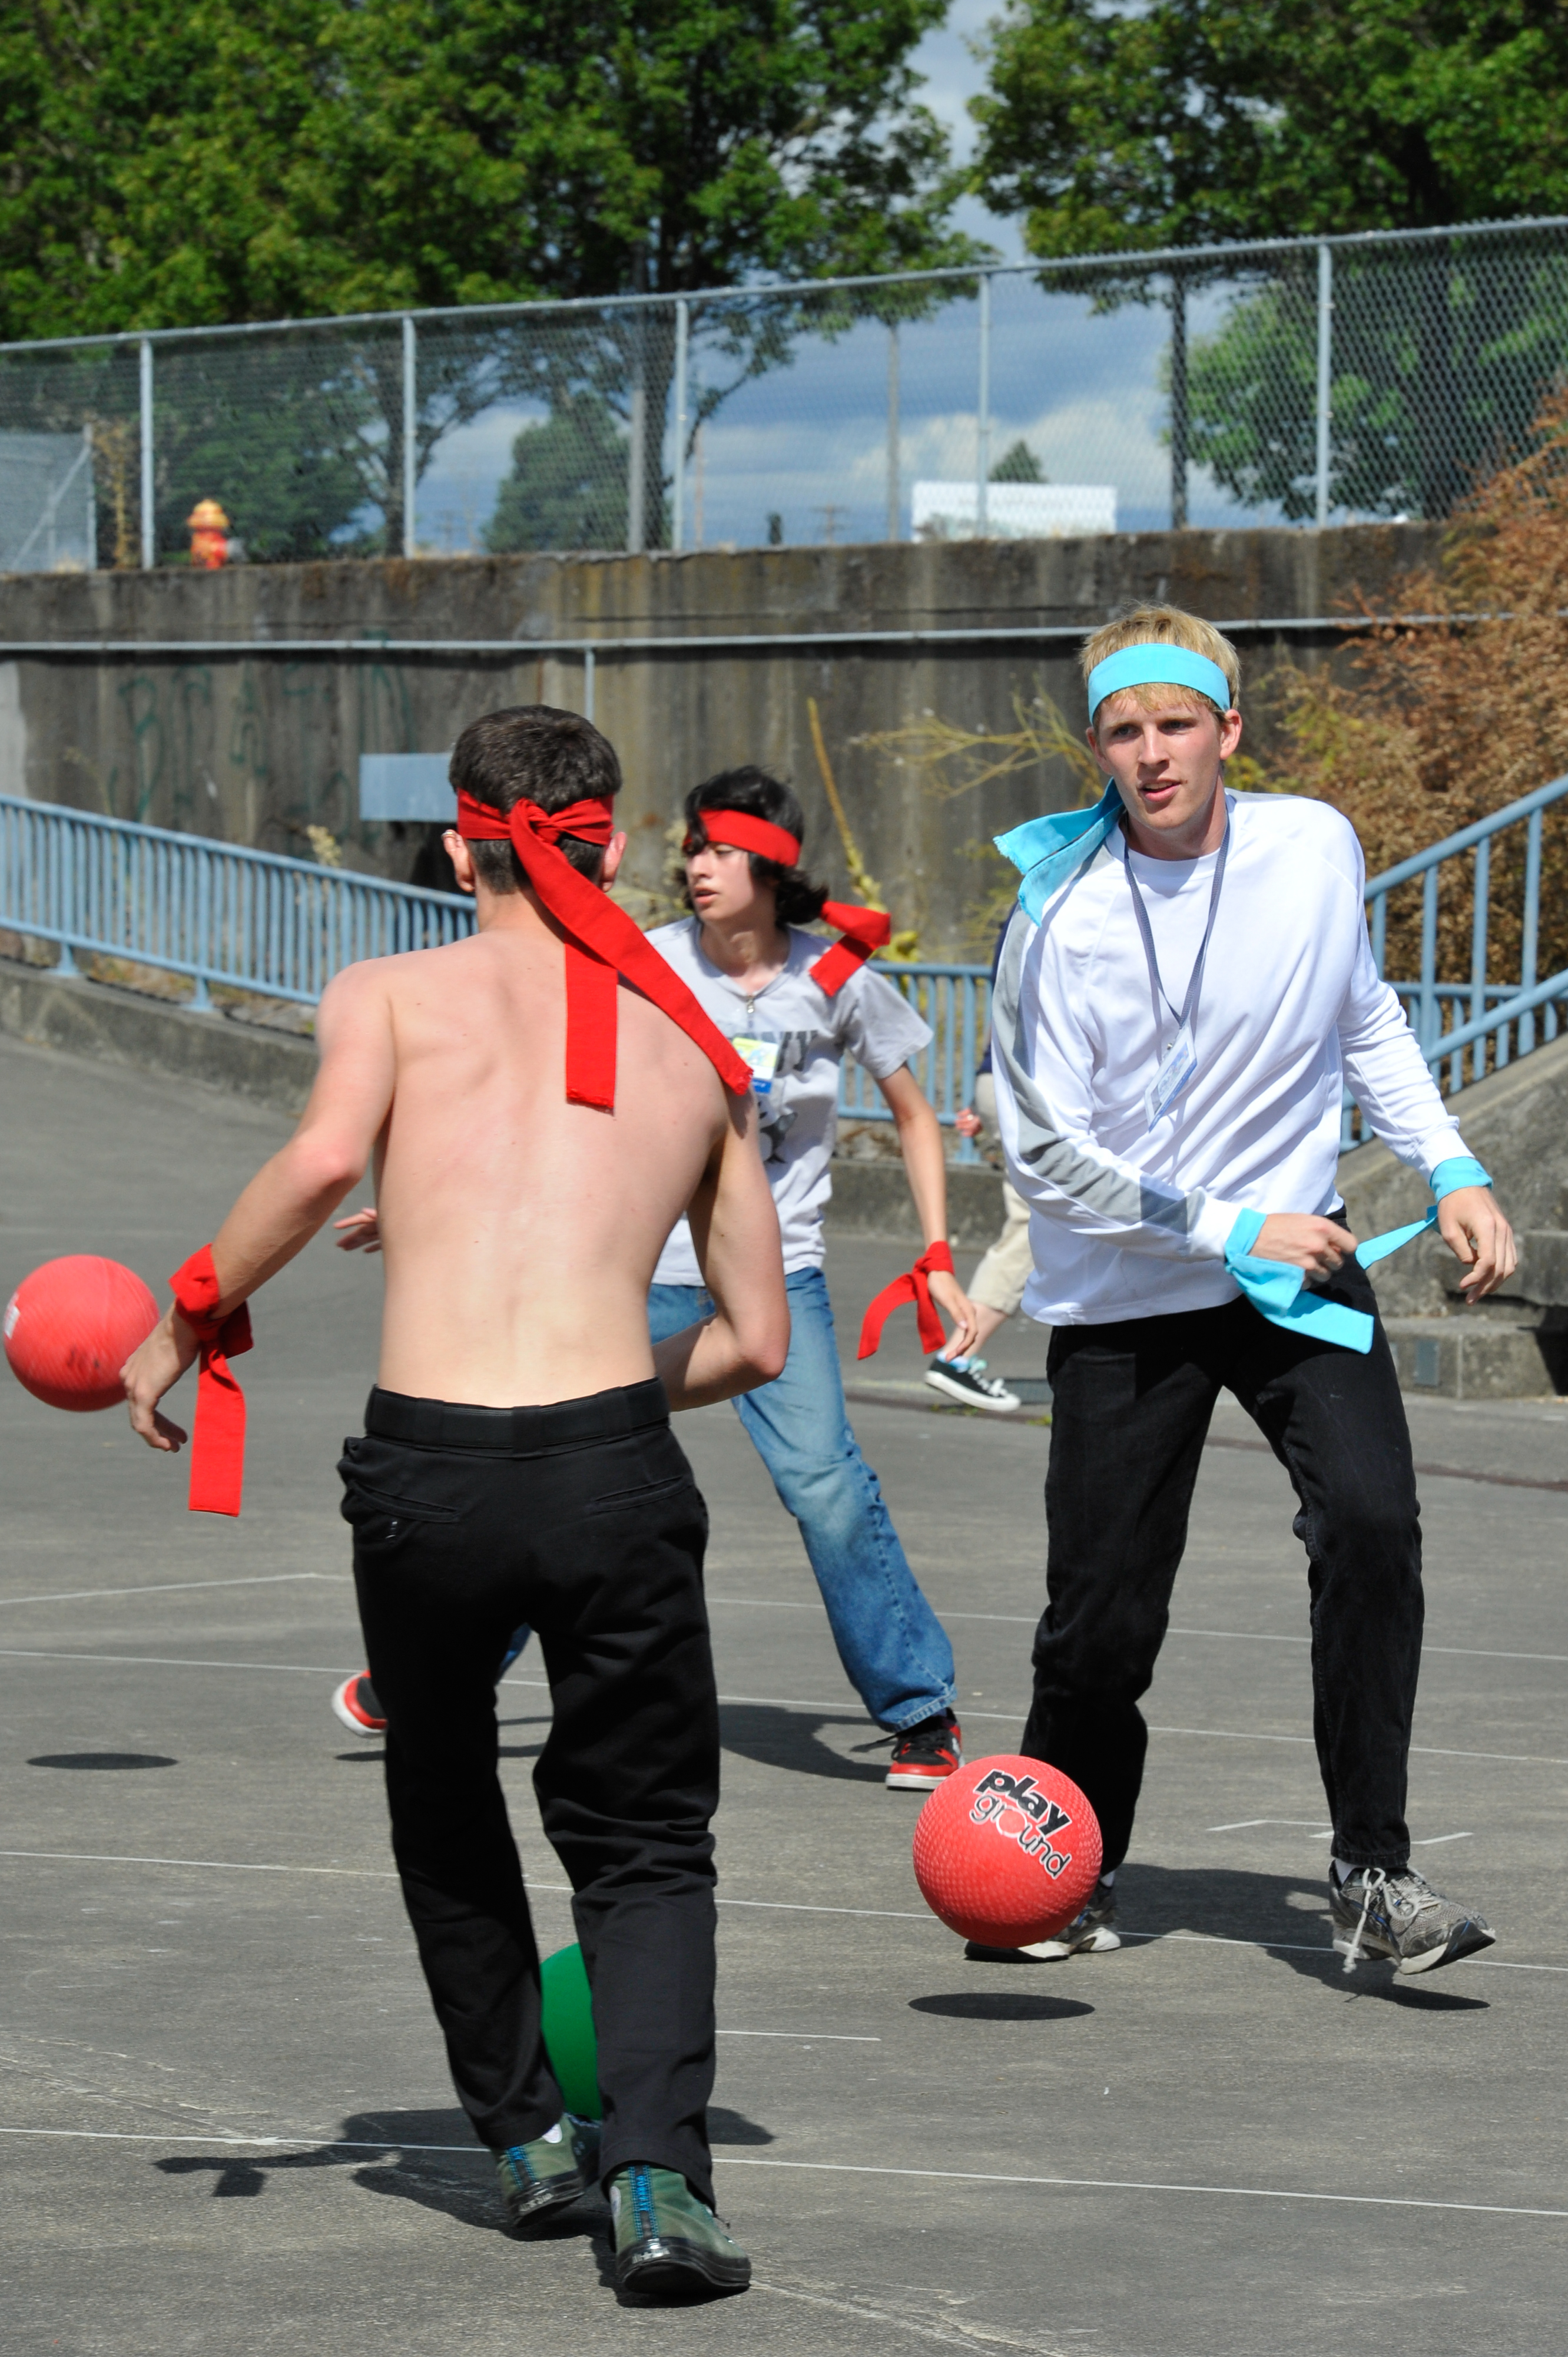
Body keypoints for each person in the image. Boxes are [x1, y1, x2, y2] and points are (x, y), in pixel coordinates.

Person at [121, 705, 790, 2298]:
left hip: (427, 1471)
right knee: (643, 1837)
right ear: (608, 847)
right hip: (611, 1465)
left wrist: (187, 1314)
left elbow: (316, 1166)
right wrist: (604, 1399)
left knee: (441, 1799)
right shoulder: (697, 1051)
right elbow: (757, 1339)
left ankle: (528, 2139)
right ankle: (660, 2184)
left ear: (455, 842)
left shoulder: (387, 993)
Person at [984, 605, 1513, 1974]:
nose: (1150, 753)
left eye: (1174, 723)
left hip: (1294, 1274)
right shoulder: (1055, 919)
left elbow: (1361, 1012)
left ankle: (1369, 1870)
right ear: (1094, 745)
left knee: (1373, 1526)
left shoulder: (1312, 845)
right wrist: (1232, 1225)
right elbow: (1044, 1159)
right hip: (1124, 1293)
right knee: (1102, 1613)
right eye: (1122, 730)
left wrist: (1451, 1164)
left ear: (1228, 727)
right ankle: (1058, 1867)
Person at [647, 765, 980, 1789]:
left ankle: (918, 1709)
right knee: (566, 1457)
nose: (697, 866)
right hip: (650, 1265)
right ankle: (439, 1674)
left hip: (776, 1272)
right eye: (692, 848)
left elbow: (915, 1116)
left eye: (719, 849)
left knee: (825, 1484)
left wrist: (936, 1255)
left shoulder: (833, 979)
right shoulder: (647, 964)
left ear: (771, 865)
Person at [926, 924, 1027, 1414]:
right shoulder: (1074, 896)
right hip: (1030, 1083)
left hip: (1009, 1078)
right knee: (1036, 1224)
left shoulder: (1030, 902)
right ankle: (958, 1355)